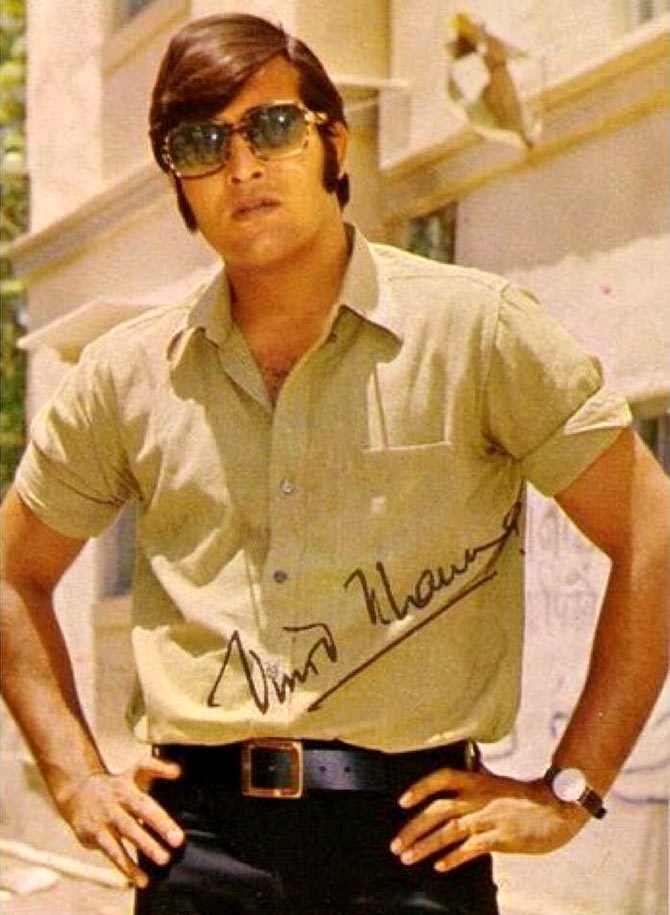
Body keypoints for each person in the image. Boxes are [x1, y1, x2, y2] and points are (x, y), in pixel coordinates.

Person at [1, 12, 668, 915]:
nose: (242, 167)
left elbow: (651, 532)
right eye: (201, 145)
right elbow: (14, 572)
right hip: (199, 848)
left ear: (334, 144)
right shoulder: (128, 374)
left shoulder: (476, 332)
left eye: (272, 127)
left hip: (409, 848)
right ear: (180, 185)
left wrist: (571, 789)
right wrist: (77, 779)